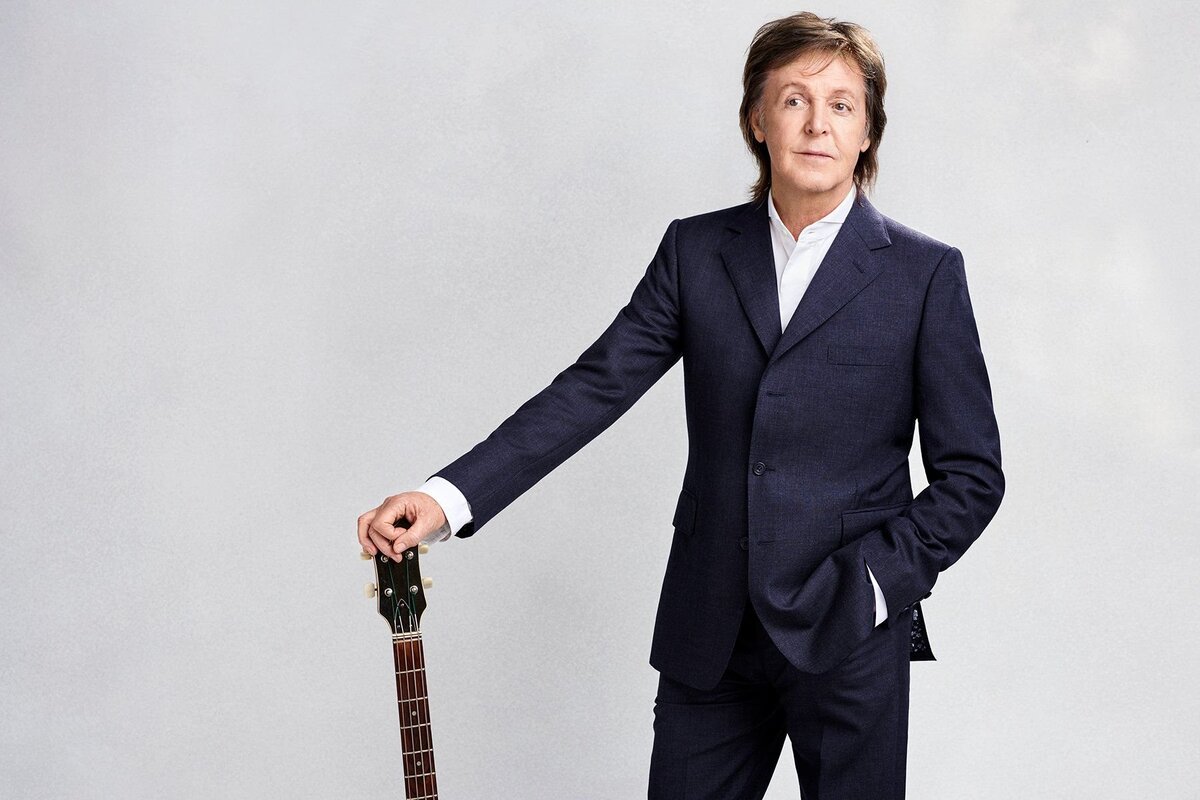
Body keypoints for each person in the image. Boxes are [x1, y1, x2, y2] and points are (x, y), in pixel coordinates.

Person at [358, 11, 1003, 799]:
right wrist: (446, 499)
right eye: (794, 99)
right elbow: (594, 387)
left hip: (848, 637)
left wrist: (875, 583)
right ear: (757, 119)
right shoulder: (695, 253)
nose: (817, 123)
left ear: (868, 132)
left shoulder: (924, 275)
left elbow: (973, 477)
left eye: (841, 104)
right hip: (711, 629)